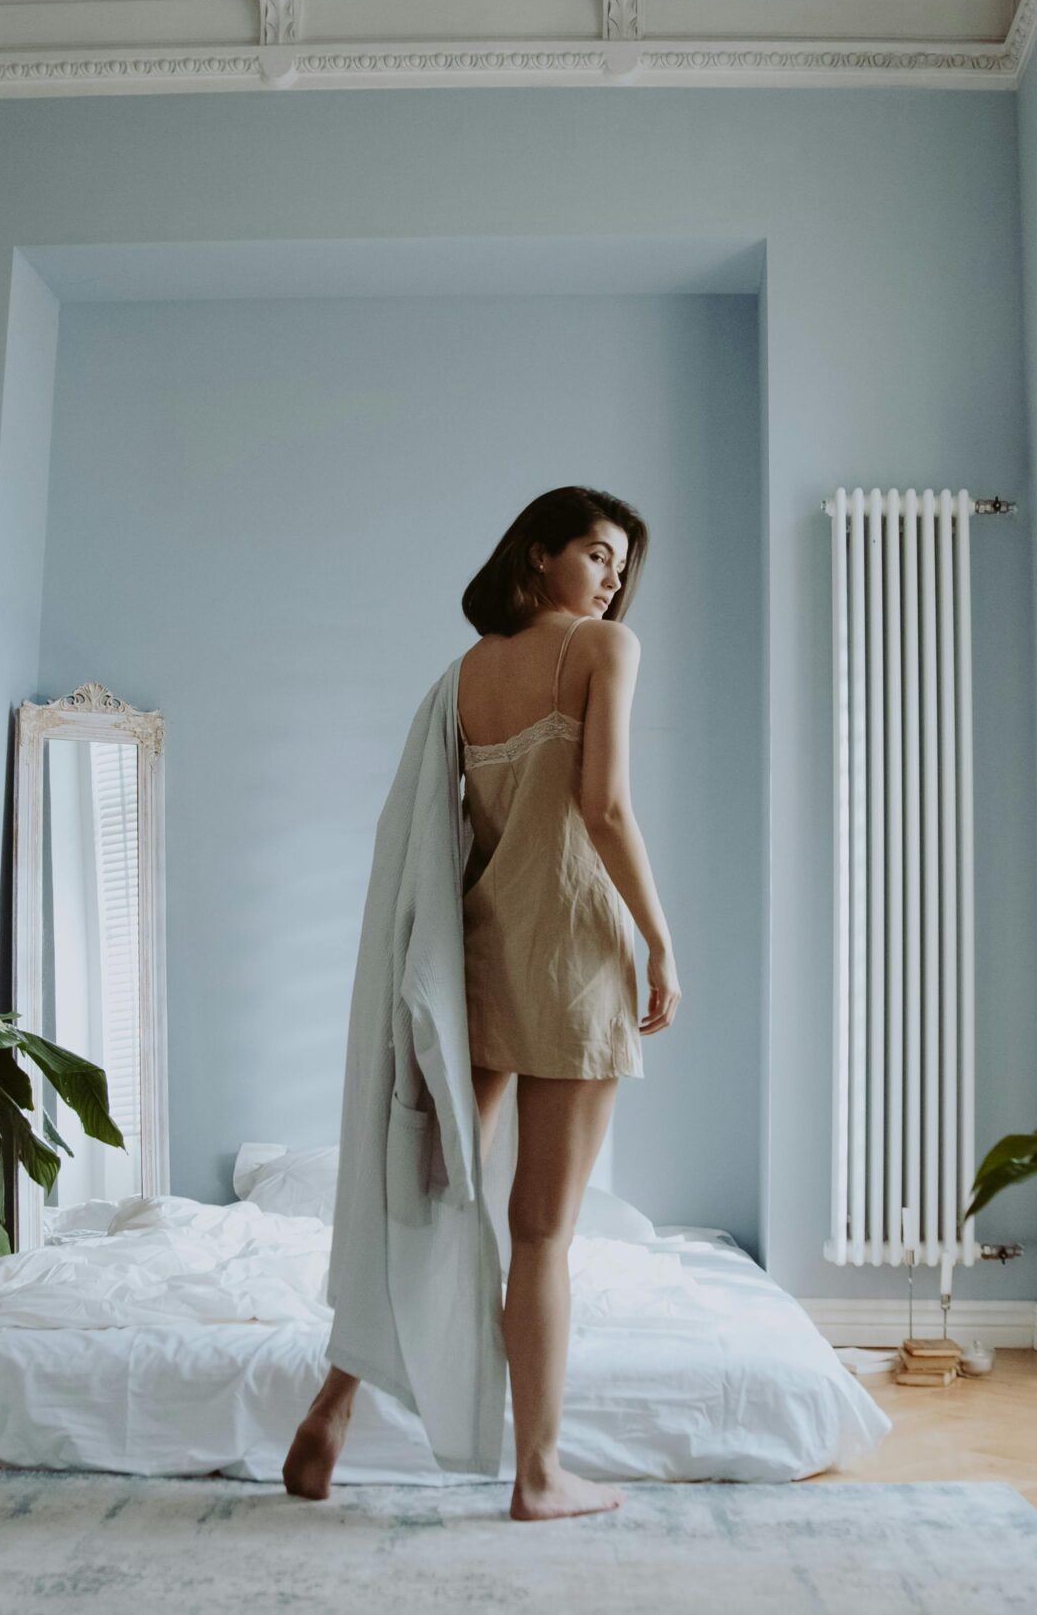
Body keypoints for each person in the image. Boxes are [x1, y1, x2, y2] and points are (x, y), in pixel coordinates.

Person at [284, 486, 682, 1521]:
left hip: (477, 963)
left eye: (622, 564)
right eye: (596, 555)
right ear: (539, 555)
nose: (613, 579)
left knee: (432, 1202)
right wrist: (659, 942)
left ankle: (329, 1411)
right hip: (573, 957)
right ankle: (538, 1476)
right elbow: (604, 808)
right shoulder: (603, 651)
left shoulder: (461, 677)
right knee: (541, 1231)